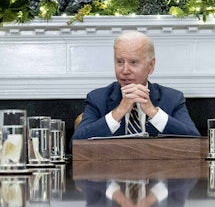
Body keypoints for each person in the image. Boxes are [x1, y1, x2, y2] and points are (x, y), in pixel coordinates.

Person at [72, 30, 200, 140]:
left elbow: (195, 141)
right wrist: (120, 111)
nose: (125, 70)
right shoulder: (97, 98)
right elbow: (75, 145)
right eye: (119, 62)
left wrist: (153, 112)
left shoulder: (172, 98)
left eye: (133, 62)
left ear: (151, 66)